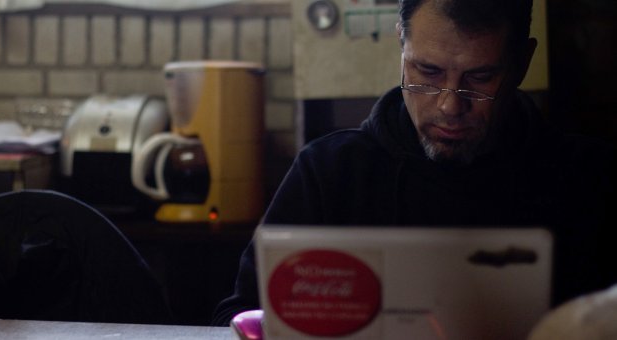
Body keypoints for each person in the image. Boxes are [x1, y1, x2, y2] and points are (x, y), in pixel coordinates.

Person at [212, 0, 617, 326]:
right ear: (400, 45)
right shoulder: (328, 172)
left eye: (480, 77)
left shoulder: (588, 177)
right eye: (428, 71)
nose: (449, 104)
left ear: (521, 63)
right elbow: (240, 316)